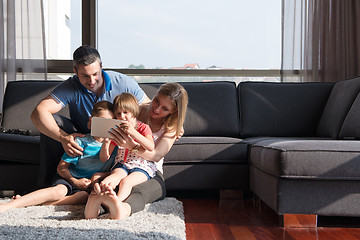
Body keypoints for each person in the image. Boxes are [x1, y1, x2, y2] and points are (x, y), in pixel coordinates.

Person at [84, 82, 188, 219]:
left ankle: (121, 209)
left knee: (137, 191)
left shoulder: (171, 126)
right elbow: (104, 121)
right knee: (107, 183)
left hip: (150, 170)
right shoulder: (132, 111)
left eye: (165, 108)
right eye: (156, 101)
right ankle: (96, 208)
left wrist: (130, 145)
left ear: (173, 111)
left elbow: (156, 155)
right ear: (155, 95)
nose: (156, 109)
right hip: (124, 164)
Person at [0, 101, 115, 213]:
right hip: (69, 179)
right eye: (101, 122)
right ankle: (10, 205)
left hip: (88, 187)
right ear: (91, 121)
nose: (104, 127)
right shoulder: (81, 142)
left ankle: (34, 202)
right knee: (59, 192)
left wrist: (97, 177)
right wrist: (75, 181)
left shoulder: (115, 147)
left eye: (109, 123)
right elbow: (62, 168)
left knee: (84, 197)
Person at [85, 93, 157, 218]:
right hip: (122, 164)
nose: (121, 116)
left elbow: (150, 147)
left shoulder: (143, 128)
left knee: (126, 182)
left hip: (141, 166)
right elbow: (104, 158)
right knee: (114, 177)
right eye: (118, 113)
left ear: (134, 113)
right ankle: (98, 196)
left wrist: (133, 132)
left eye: (125, 113)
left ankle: (115, 202)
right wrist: (106, 143)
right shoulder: (117, 131)